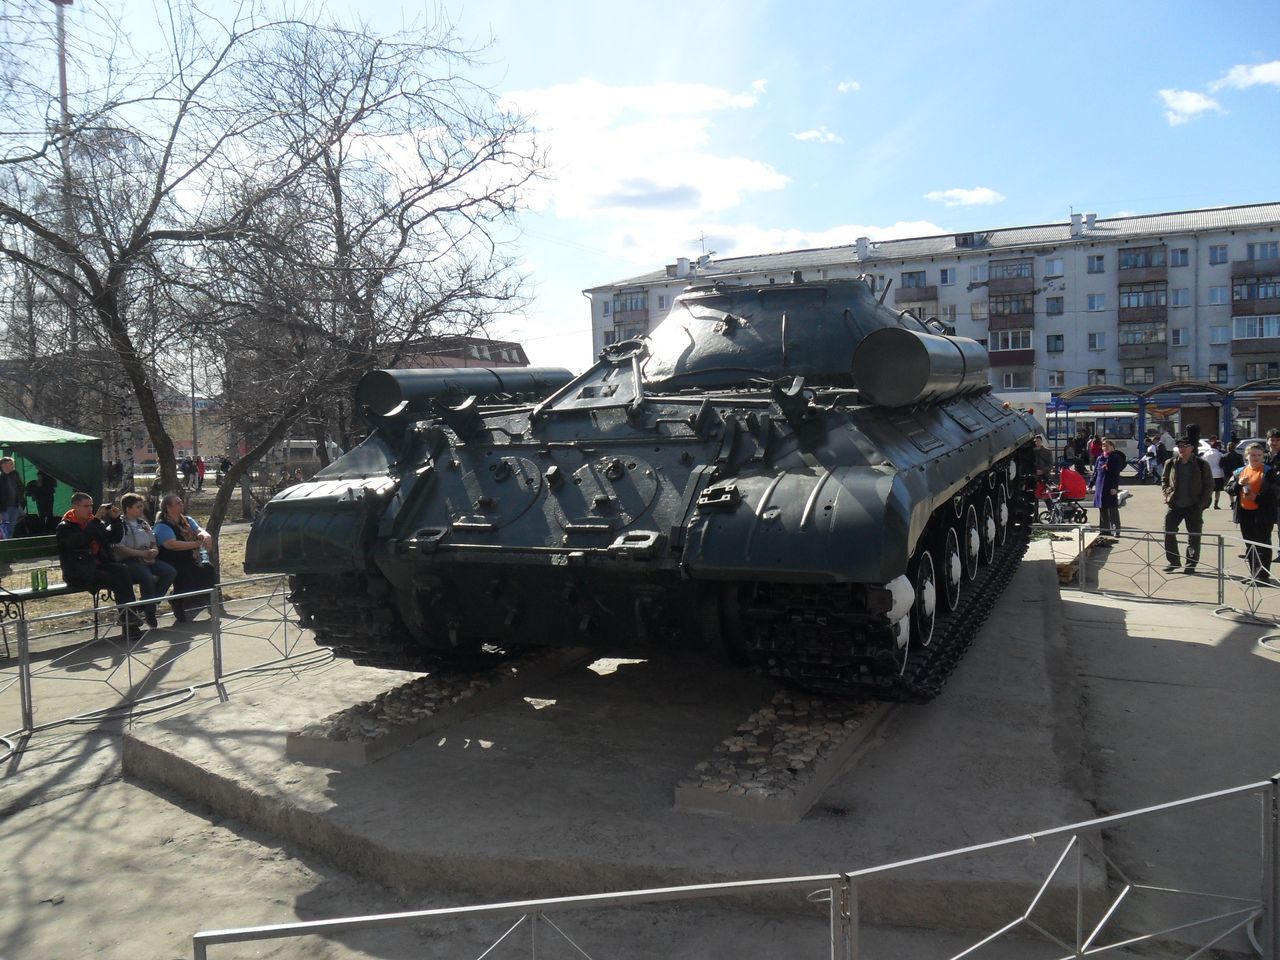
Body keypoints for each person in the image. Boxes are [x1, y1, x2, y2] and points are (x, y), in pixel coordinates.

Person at [55, 493, 140, 638]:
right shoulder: (65, 527)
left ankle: (130, 619)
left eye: (91, 506)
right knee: (117, 579)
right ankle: (130, 623)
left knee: (122, 570)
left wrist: (115, 520)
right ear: (75, 507)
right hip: (78, 571)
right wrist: (96, 519)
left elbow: (113, 538)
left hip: (96, 566)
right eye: (86, 506)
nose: (90, 509)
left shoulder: (93, 522)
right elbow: (80, 541)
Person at [112, 492, 176, 628]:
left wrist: (154, 551)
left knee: (170, 571)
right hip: (129, 560)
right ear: (128, 509)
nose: (141, 509)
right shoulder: (120, 525)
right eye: (138, 507)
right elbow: (119, 548)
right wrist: (141, 553)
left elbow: (153, 541)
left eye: (142, 506)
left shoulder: (143, 523)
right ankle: (150, 611)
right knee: (147, 576)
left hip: (147, 557)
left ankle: (148, 603)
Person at [154, 493, 216, 621]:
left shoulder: (187, 520)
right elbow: (171, 544)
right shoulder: (162, 525)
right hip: (172, 558)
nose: (181, 504)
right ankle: (177, 601)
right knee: (185, 572)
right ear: (168, 507)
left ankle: (209, 601)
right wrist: (195, 544)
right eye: (178, 503)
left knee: (208, 568)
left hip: (190, 556)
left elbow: (199, 530)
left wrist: (206, 536)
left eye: (181, 502)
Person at [1161, 435, 1214, 574]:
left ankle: (1191, 564)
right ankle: (1173, 561)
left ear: (1192, 448)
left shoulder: (1201, 464)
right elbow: (1164, 479)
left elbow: (1209, 485)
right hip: (1175, 505)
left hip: (1193, 506)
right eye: (1179, 446)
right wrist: (1167, 493)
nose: (1182, 449)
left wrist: (1201, 503)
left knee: (1194, 536)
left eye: (1185, 446)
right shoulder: (1171, 463)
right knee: (1168, 532)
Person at [1226, 443, 1277, 581]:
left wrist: (1257, 498)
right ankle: (1254, 574)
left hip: (1262, 514)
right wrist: (1238, 484)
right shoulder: (1239, 471)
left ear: (1263, 456)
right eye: (1253, 455)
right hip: (1245, 513)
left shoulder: (1268, 472)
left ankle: (1263, 576)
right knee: (1250, 545)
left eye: (1259, 455)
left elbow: (1275, 494)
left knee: (1262, 544)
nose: (1256, 458)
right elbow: (1229, 489)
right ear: (1246, 456)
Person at [1094, 439, 1125, 538]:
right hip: (1100, 486)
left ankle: (1116, 529)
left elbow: (1116, 474)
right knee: (1102, 507)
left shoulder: (1115, 458)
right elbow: (1095, 473)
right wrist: (1090, 485)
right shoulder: (1100, 458)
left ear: (1112, 447)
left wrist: (1114, 487)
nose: (1105, 447)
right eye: (1103, 446)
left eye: (1107, 446)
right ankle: (1104, 529)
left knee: (1112, 508)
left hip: (1110, 486)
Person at [0, 456, 23, 538]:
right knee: (4, 528)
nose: (13, 466)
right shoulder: (1, 477)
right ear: (4, 465)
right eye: (11, 464)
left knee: (11, 529)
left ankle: (9, 542)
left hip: (14, 505)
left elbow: (20, 487)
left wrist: (20, 500)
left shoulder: (15, 475)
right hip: (3, 508)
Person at [1203, 440, 1225, 509]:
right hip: (1218, 474)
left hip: (1209, 473)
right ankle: (1216, 504)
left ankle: (1207, 503)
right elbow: (1222, 463)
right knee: (1217, 490)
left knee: (1209, 490)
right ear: (1217, 447)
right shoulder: (1220, 454)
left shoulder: (1206, 454)